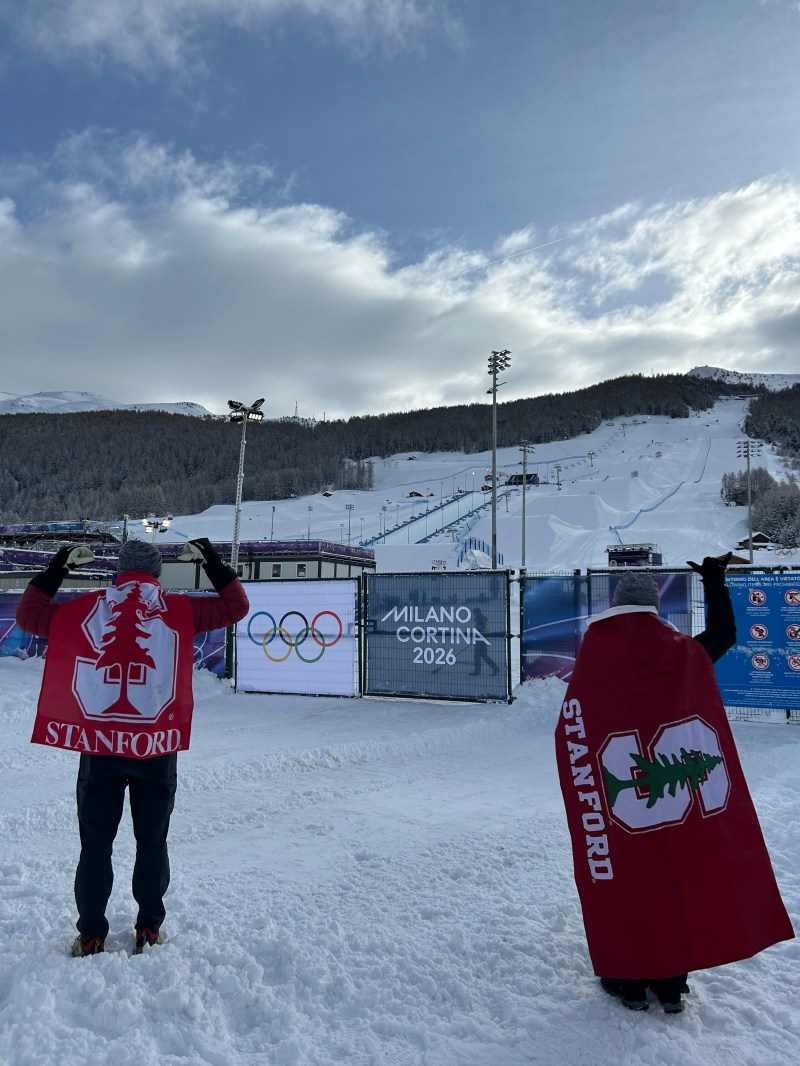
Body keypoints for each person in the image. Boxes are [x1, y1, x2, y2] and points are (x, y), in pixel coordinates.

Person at [555, 557, 794, 1014]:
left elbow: (577, 721)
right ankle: (670, 982)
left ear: (616, 606)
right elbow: (726, 633)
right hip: (681, 799)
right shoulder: (685, 652)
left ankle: (626, 979)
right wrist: (714, 581)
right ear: (655, 609)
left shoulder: (595, 655)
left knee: (629, 881)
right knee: (678, 877)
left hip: (623, 806)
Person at [16, 537, 249, 957]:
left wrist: (57, 569)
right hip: (156, 748)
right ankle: (148, 929)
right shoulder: (179, 610)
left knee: (96, 844)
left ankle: (90, 935)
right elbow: (236, 606)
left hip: (101, 747)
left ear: (118, 573)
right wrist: (212, 563)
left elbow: (30, 616)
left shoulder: (91, 606)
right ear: (157, 574)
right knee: (152, 841)